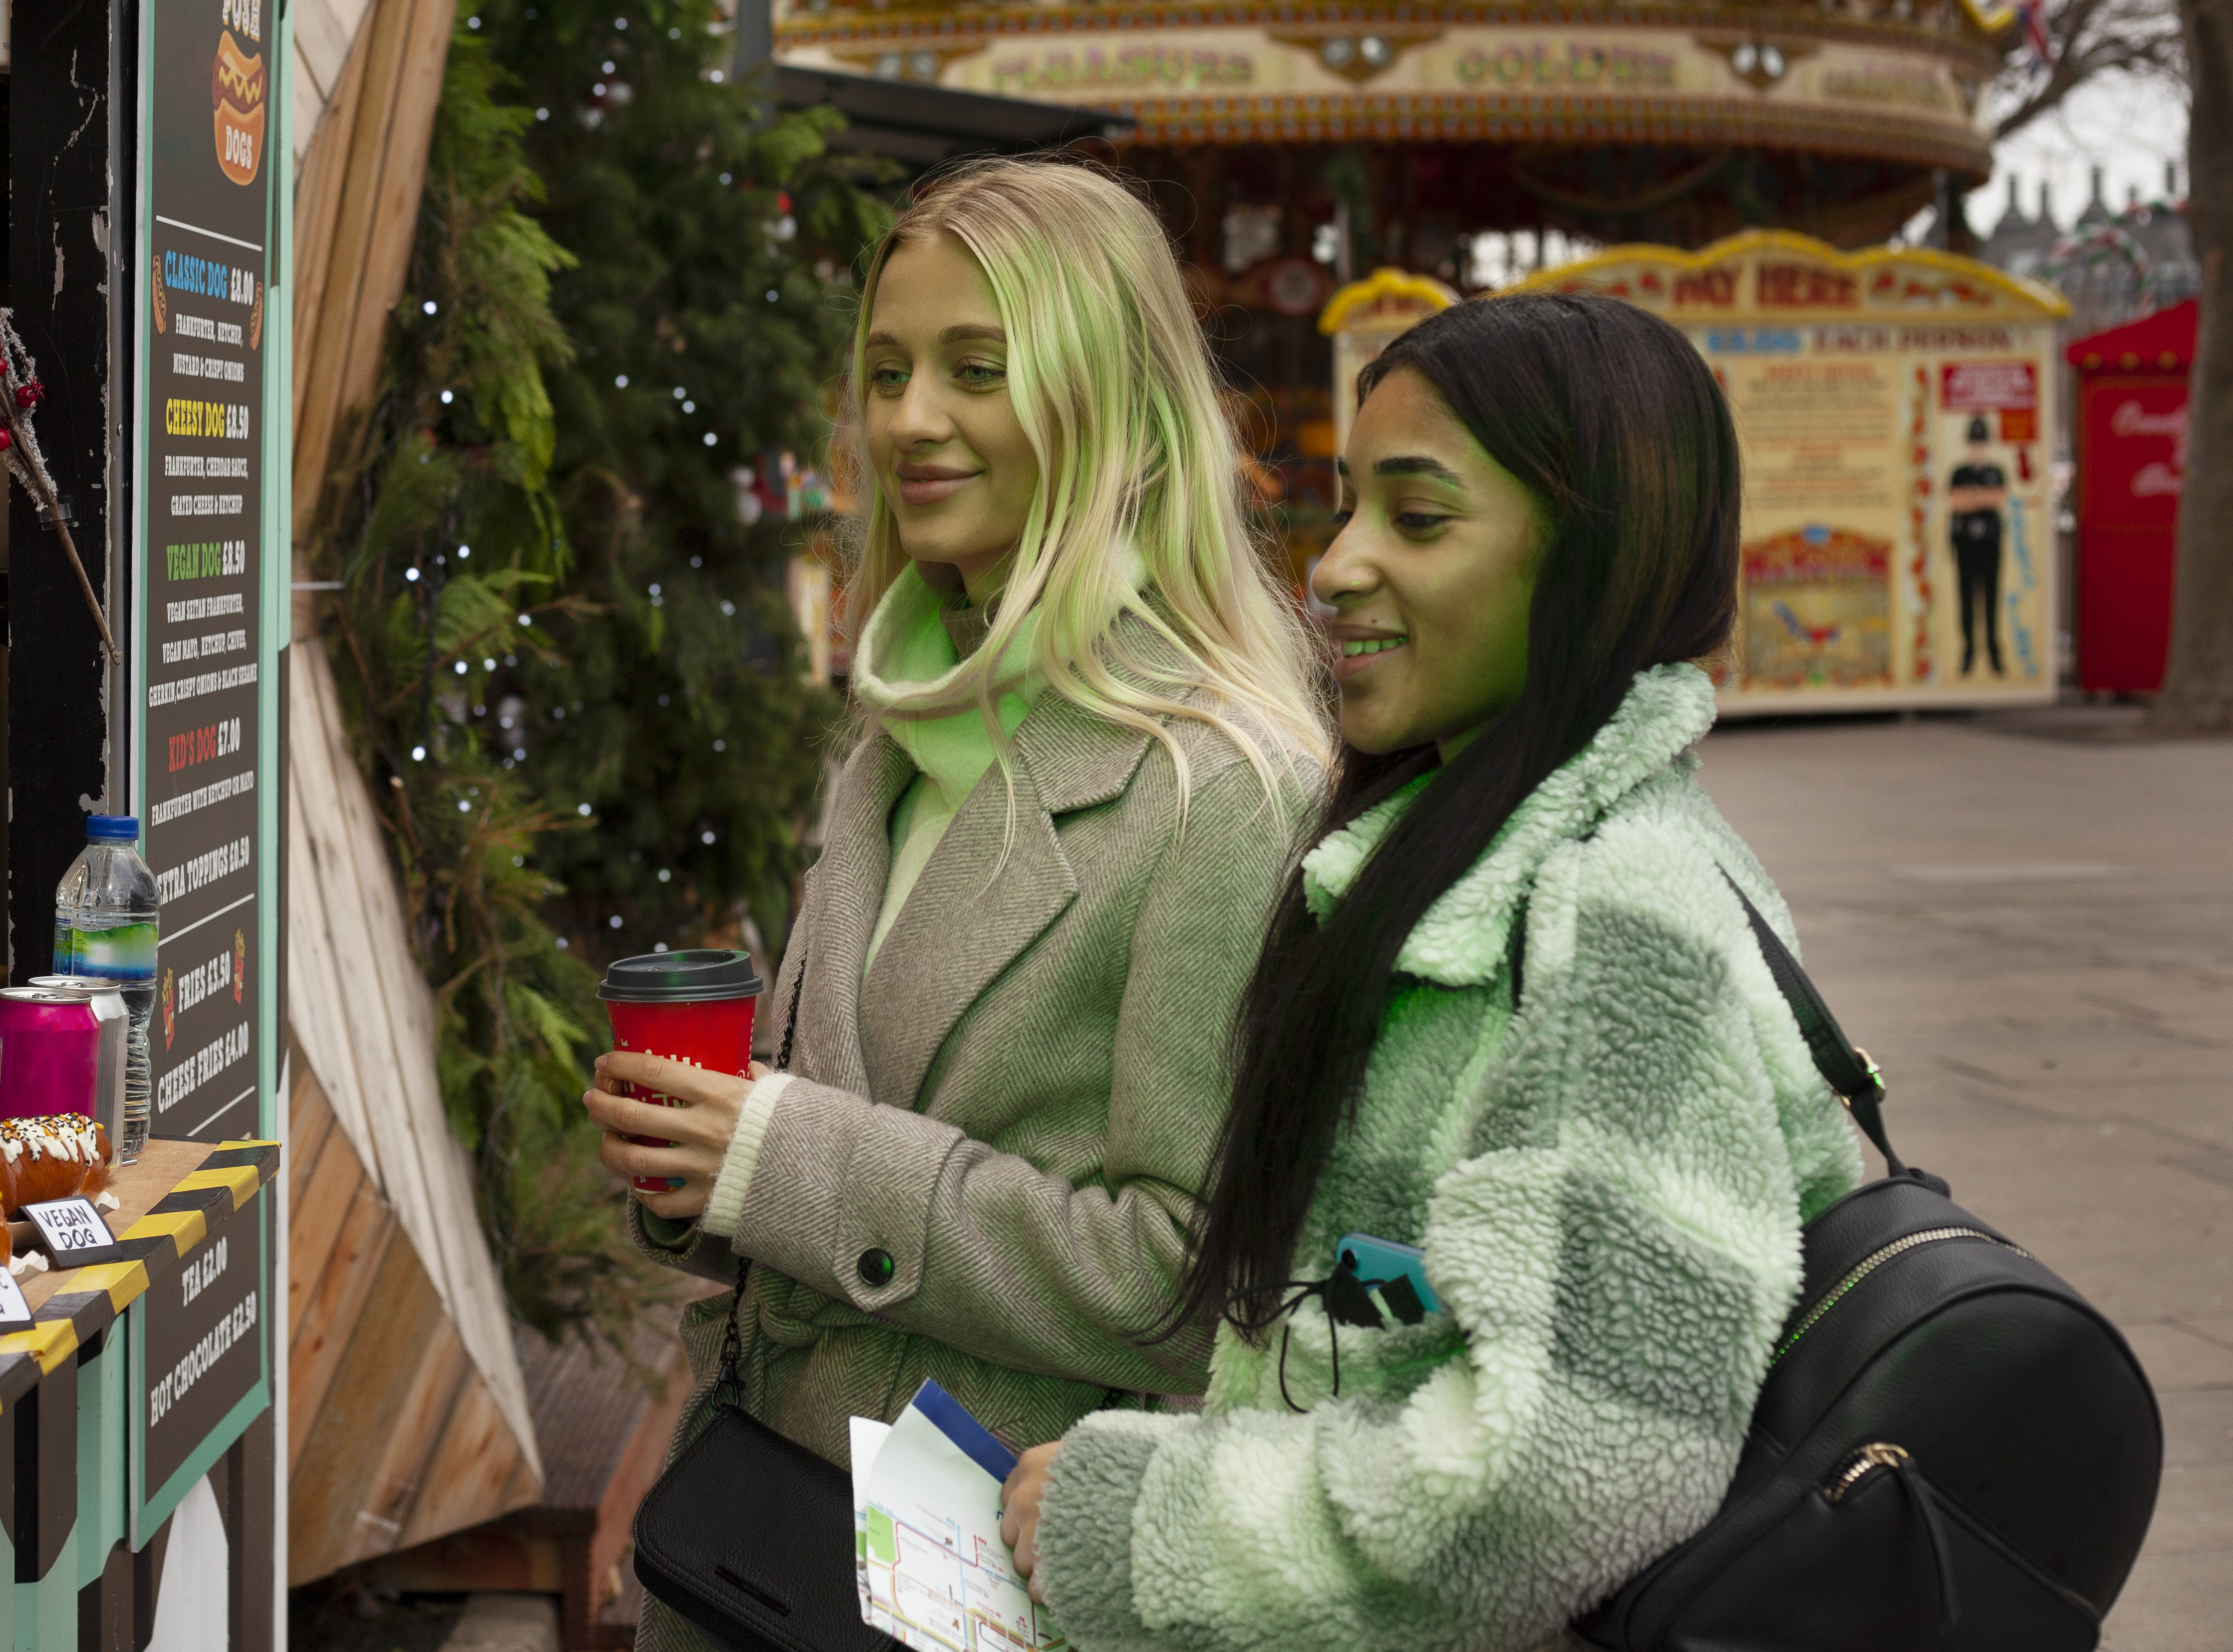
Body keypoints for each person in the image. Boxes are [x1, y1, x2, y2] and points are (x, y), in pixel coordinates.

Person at [997, 290, 1862, 1651]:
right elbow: (1393, 1319)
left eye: (1417, 516)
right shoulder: (1457, 864)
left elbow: (1578, 1454)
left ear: (1595, 557)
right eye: (1342, 507)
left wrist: (1145, 1517)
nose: (1333, 565)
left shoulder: (1617, 908)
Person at [580, 160, 1329, 1652]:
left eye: (977, 369)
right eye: (887, 369)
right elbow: (820, 1140)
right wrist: (697, 1174)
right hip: (748, 1538)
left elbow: (1183, 1278)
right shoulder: (893, 734)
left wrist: (784, 1155)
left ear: (1112, 404)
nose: (910, 417)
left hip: (987, 1580)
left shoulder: (1224, 785)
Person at [1948, 412, 2008, 675]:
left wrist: (1975, 498)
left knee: (1991, 600)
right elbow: (1956, 502)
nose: (1977, 448)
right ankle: (1969, 649)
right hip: (1965, 547)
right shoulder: (1959, 473)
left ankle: (1993, 651)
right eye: (1974, 443)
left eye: (1981, 443)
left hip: (1989, 547)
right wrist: (1979, 498)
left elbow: (1998, 498)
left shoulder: (1996, 472)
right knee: (1967, 601)